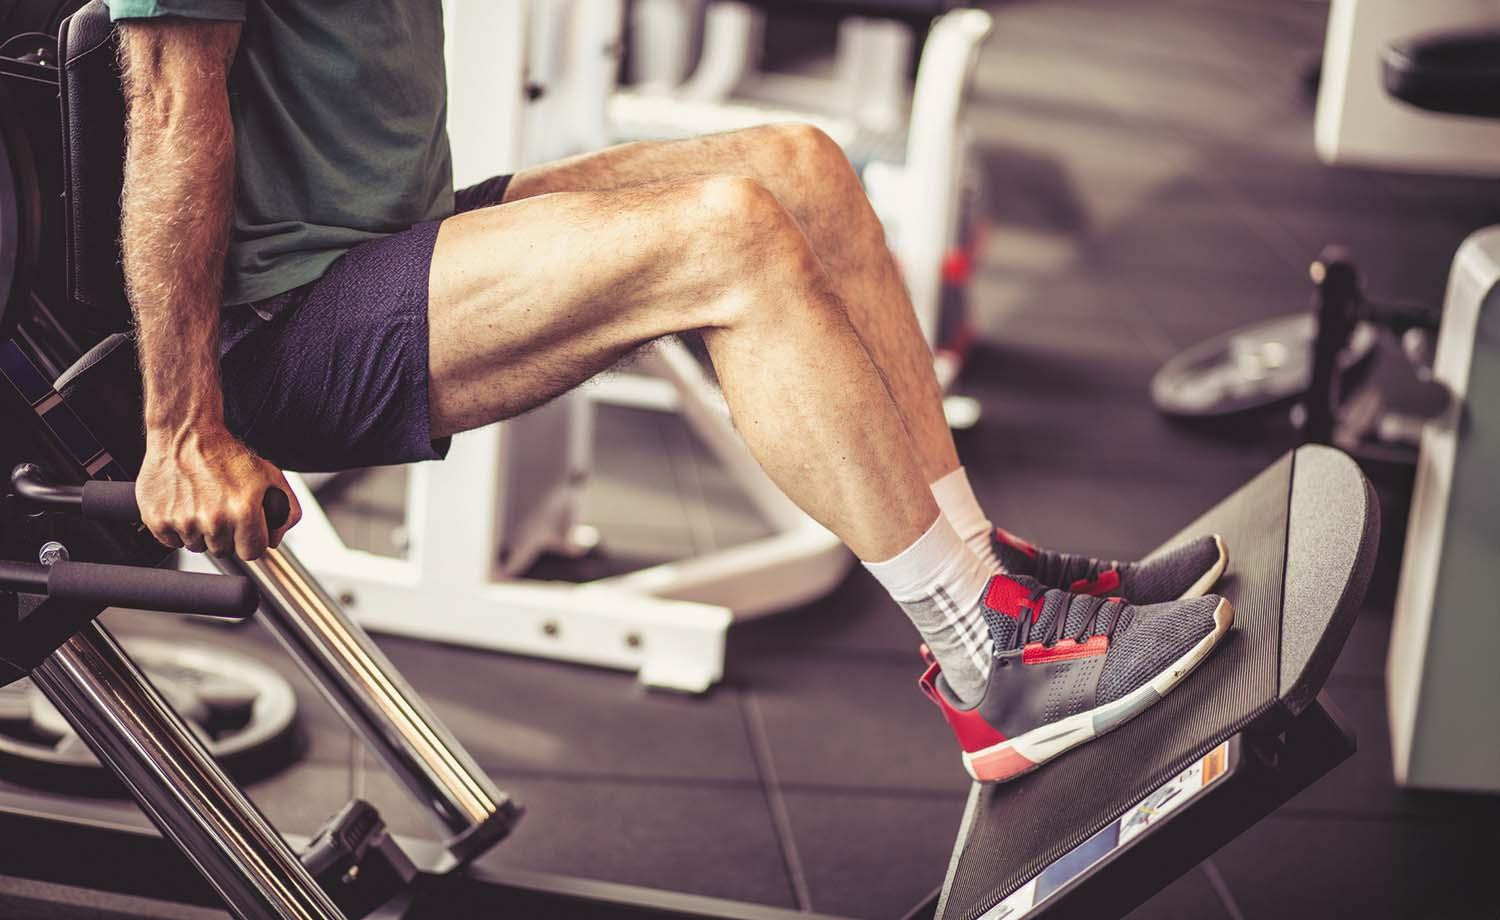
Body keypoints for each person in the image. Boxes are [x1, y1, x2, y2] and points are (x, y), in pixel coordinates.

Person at [108, 0, 1233, 783]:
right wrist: (182, 426)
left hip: (398, 241)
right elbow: (165, 109)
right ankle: (985, 655)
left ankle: (982, 569)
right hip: (278, 323)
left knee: (801, 172)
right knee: (726, 238)